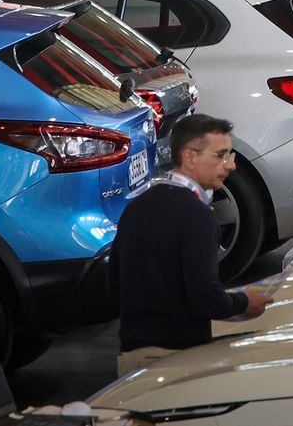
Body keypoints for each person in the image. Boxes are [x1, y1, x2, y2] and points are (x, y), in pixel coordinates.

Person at [111, 115, 271, 376]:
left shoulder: (136, 207)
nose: (230, 165)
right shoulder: (197, 216)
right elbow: (205, 299)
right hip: (176, 361)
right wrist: (245, 302)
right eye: (220, 155)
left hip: (131, 359)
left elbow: (114, 285)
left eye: (230, 155)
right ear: (190, 157)